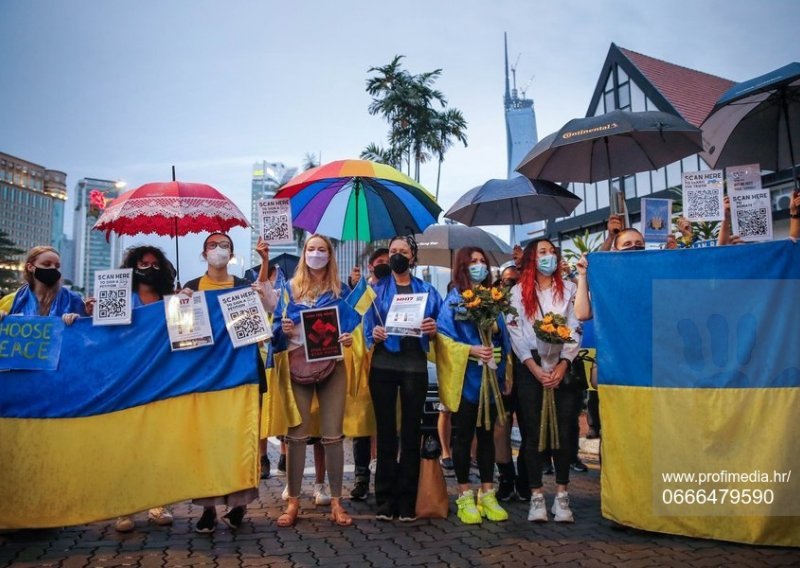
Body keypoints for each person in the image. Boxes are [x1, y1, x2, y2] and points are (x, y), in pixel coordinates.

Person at [186, 233, 275, 534]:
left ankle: (240, 504)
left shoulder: (241, 286)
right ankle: (208, 509)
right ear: (204, 252)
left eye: (224, 245)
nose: (218, 249)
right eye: (213, 245)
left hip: (243, 375)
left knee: (242, 442)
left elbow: (264, 313)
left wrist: (262, 270)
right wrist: (179, 305)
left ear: (232, 253)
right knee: (206, 443)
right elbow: (182, 332)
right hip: (206, 377)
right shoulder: (192, 287)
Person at [272, 234, 357, 528]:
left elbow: (351, 328)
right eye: (311, 249)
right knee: (296, 435)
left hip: (333, 365)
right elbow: (275, 329)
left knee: (333, 436)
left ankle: (336, 501)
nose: (316, 254)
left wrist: (347, 337)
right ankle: (293, 501)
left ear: (330, 255)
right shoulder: (289, 289)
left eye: (322, 249)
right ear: (303, 253)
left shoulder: (341, 290)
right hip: (298, 366)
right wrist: (282, 328)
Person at [363, 236, 441, 522]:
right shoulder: (374, 290)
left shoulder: (428, 291)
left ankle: (408, 500)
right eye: (393, 251)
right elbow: (364, 325)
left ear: (413, 257)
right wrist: (373, 333)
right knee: (385, 434)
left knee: (411, 434)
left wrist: (433, 329)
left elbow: (441, 326)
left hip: (414, 367)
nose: (396, 255)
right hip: (383, 365)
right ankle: (384, 499)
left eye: (403, 252)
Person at [507, 239, 581, 523]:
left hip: (562, 366)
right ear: (531, 259)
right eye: (542, 252)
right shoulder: (517, 292)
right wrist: (533, 367)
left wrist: (563, 363)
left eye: (552, 252)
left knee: (563, 431)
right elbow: (516, 333)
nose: (548, 257)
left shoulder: (571, 290)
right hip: (531, 367)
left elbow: (575, 327)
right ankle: (536, 496)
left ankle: (562, 496)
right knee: (534, 433)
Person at [104, 245, 177, 532]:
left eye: (155, 264)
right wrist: (90, 312)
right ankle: (126, 507)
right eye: (143, 263)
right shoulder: (120, 296)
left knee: (158, 445)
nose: (149, 268)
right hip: (126, 380)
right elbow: (107, 336)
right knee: (126, 445)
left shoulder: (168, 298)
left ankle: (158, 503)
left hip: (160, 379)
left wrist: (185, 303)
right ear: (133, 266)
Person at [437, 247, 511, 525]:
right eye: (473, 262)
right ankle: (464, 494)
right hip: (466, 380)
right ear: (462, 268)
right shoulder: (454, 301)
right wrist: (470, 350)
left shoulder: (494, 300)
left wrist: (501, 366)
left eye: (483, 261)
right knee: (464, 436)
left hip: (490, 379)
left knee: (488, 435)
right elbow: (443, 341)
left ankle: (488, 493)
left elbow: (504, 339)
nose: (479, 266)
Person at [349, 247, 389, 502]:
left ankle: (385, 476)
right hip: (363, 364)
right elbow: (351, 321)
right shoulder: (364, 292)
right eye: (380, 261)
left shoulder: (395, 291)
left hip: (388, 363)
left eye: (388, 261)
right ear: (370, 266)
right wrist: (356, 288)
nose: (384, 264)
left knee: (386, 423)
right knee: (361, 423)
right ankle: (361, 477)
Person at [1, 246, 85, 324]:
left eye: (57, 266)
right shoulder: (10, 301)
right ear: (30, 267)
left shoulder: (73, 300)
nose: (53, 268)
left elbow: (87, 332)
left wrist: (78, 321)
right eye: (46, 264)